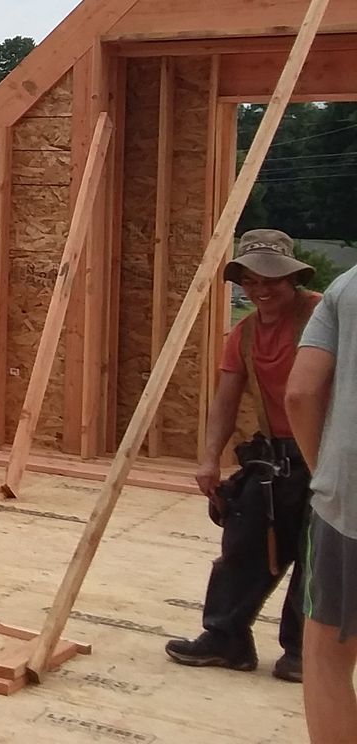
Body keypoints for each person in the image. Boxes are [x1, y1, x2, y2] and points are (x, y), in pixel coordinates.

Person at [166, 229, 321, 682]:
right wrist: (209, 459)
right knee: (243, 543)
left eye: (271, 279)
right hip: (278, 457)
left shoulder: (321, 314)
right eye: (251, 281)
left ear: (293, 278)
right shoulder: (245, 333)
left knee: (317, 557)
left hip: (329, 455)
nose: (261, 289)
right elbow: (226, 399)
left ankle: (303, 652)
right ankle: (226, 638)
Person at [288, 266, 356, 739]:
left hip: (349, 504)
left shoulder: (347, 287)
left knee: (327, 655)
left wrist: (326, 474)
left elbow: (301, 392)